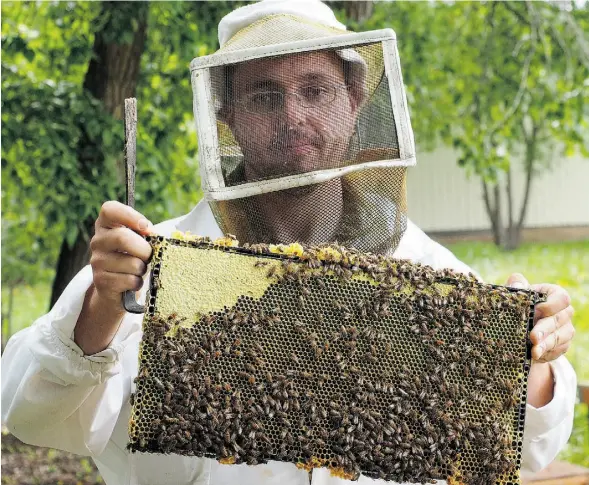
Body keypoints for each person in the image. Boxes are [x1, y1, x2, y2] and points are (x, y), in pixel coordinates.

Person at [1, 1, 577, 485]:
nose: (292, 115)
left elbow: (523, 451)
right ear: (226, 118)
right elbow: (31, 414)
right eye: (263, 95)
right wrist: (103, 309)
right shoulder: (153, 263)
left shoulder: (428, 271)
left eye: (315, 89)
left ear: (353, 103)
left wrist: (534, 360)